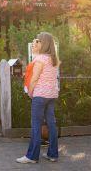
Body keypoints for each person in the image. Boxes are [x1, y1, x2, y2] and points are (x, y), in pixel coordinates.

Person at [16, 32, 59, 164]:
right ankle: (53, 154)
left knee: (36, 125)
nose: (37, 43)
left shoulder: (40, 59)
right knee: (51, 124)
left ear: (44, 43)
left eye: (38, 41)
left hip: (40, 95)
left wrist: (30, 91)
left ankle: (32, 156)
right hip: (51, 95)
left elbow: (34, 78)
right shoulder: (54, 59)